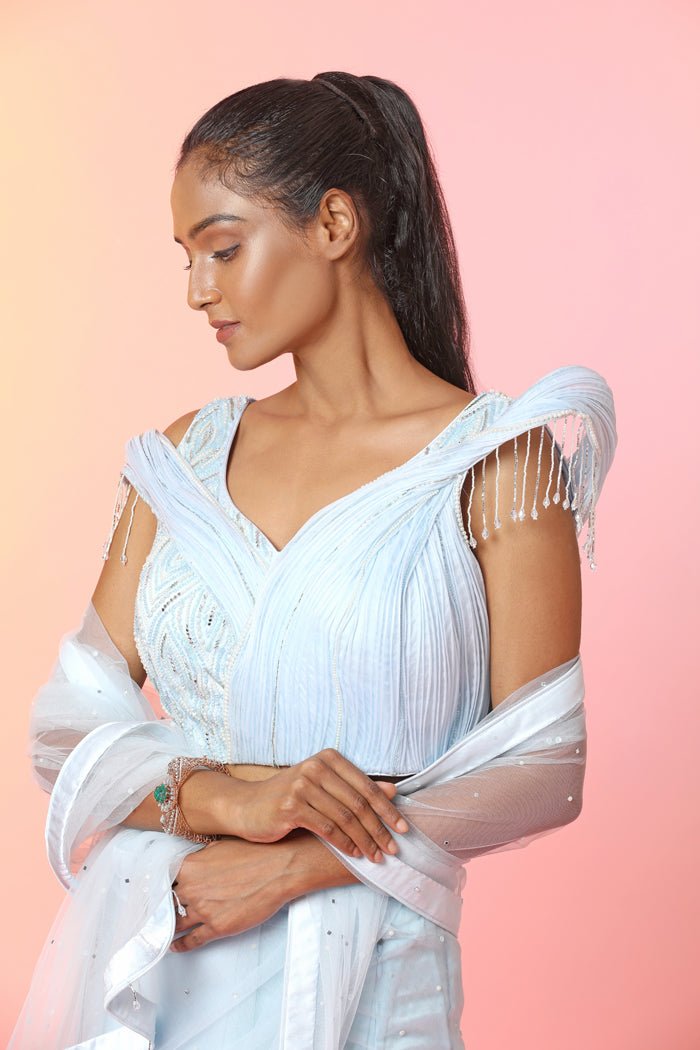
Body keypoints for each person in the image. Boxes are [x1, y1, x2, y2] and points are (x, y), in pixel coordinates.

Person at [9, 72, 617, 1049]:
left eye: (222, 248)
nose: (198, 291)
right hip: (163, 955)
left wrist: (298, 862)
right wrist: (230, 800)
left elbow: (544, 768)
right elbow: (63, 728)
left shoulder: (497, 462)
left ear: (334, 223)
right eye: (187, 260)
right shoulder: (180, 462)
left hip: (378, 991)